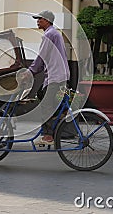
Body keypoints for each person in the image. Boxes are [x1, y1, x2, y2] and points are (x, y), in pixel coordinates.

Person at [27, 10, 70, 145]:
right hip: (60, 74)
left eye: (40, 19)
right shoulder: (55, 33)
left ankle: (47, 136)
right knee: (41, 94)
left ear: (47, 20)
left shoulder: (49, 35)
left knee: (45, 106)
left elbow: (42, 57)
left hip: (55, 76)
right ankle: (60, 117)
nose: (38, 22)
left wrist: (30, 72)